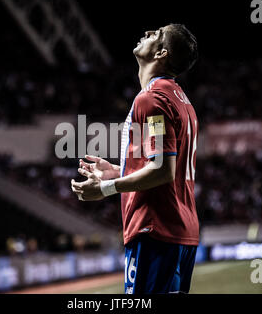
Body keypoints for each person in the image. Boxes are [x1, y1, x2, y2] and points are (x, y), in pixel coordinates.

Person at [71, 24, 199, 294]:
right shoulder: (180, 99)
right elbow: (164, 166)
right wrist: (119, 170)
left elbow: (163, 170)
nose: (149, 31)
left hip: (154, 229)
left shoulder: (151, 99)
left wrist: (105, 188)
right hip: (179, 231)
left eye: (157, 34)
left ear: (162, 53)